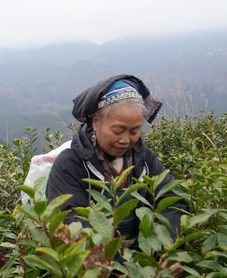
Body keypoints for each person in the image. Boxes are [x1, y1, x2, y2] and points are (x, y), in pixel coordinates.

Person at [46, 74, 188, 252]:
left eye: (135, 131)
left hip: (146, 256)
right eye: (118, 131)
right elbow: (70, 221)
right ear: (96, 122)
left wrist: (163, 251)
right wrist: (120, 265)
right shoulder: (70, 164)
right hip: (100, 265)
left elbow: (172, 202)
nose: (126, 140)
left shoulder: (144, 159)